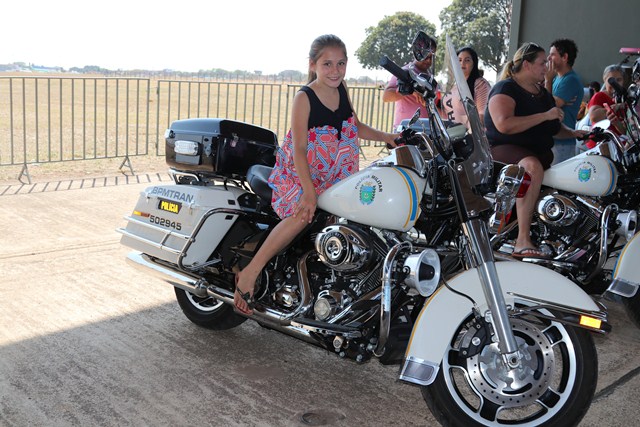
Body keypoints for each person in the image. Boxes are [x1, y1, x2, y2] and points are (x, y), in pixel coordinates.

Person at [234, 34, 400, 315]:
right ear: (313, 65)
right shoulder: (305, 97)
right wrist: (309, 192)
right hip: (300, 174)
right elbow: (299, 149)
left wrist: (387, 136)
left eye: (341, 63)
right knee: (302, 215)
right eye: (327, 64)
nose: (335, 70)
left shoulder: (341, 88)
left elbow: (354, 125)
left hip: (334, 173)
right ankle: (251, 271)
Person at [485, 42, 586, 259]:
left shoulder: (542, 94)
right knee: (532, 166)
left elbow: (554, 128)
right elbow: (504, 124)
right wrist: (545, 115)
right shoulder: (505, 88)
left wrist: (574, 133)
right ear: (527, 65)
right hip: (505, 152)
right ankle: (522, 240)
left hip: (541, 155)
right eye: (542, 62)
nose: (547, 67)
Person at [382, 33, 437, 129]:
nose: (429, 60)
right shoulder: (405, 72)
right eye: (426, 56)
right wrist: (410, 90)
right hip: (406, 131)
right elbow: (386, 96)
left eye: (431, 57)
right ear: (417, 52)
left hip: (428, 131)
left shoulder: (431, 78)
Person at [544, 38, 583, 163]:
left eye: (552, 54)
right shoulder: (557, 78)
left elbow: (550, 105)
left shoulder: (570, 80)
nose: (548, 58)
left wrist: (547, 81)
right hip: (554, 139)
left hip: (562, 143)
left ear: (564, 57)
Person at [442, 46, 491, 127]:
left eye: (467, 60)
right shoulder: (453, 86)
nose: (462, 63)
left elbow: (482, 115)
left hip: (469, 133)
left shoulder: (480, 84)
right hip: (450, 132)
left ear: (474, 63)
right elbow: (447, 112)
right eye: (459, 60)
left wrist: (470, 131)